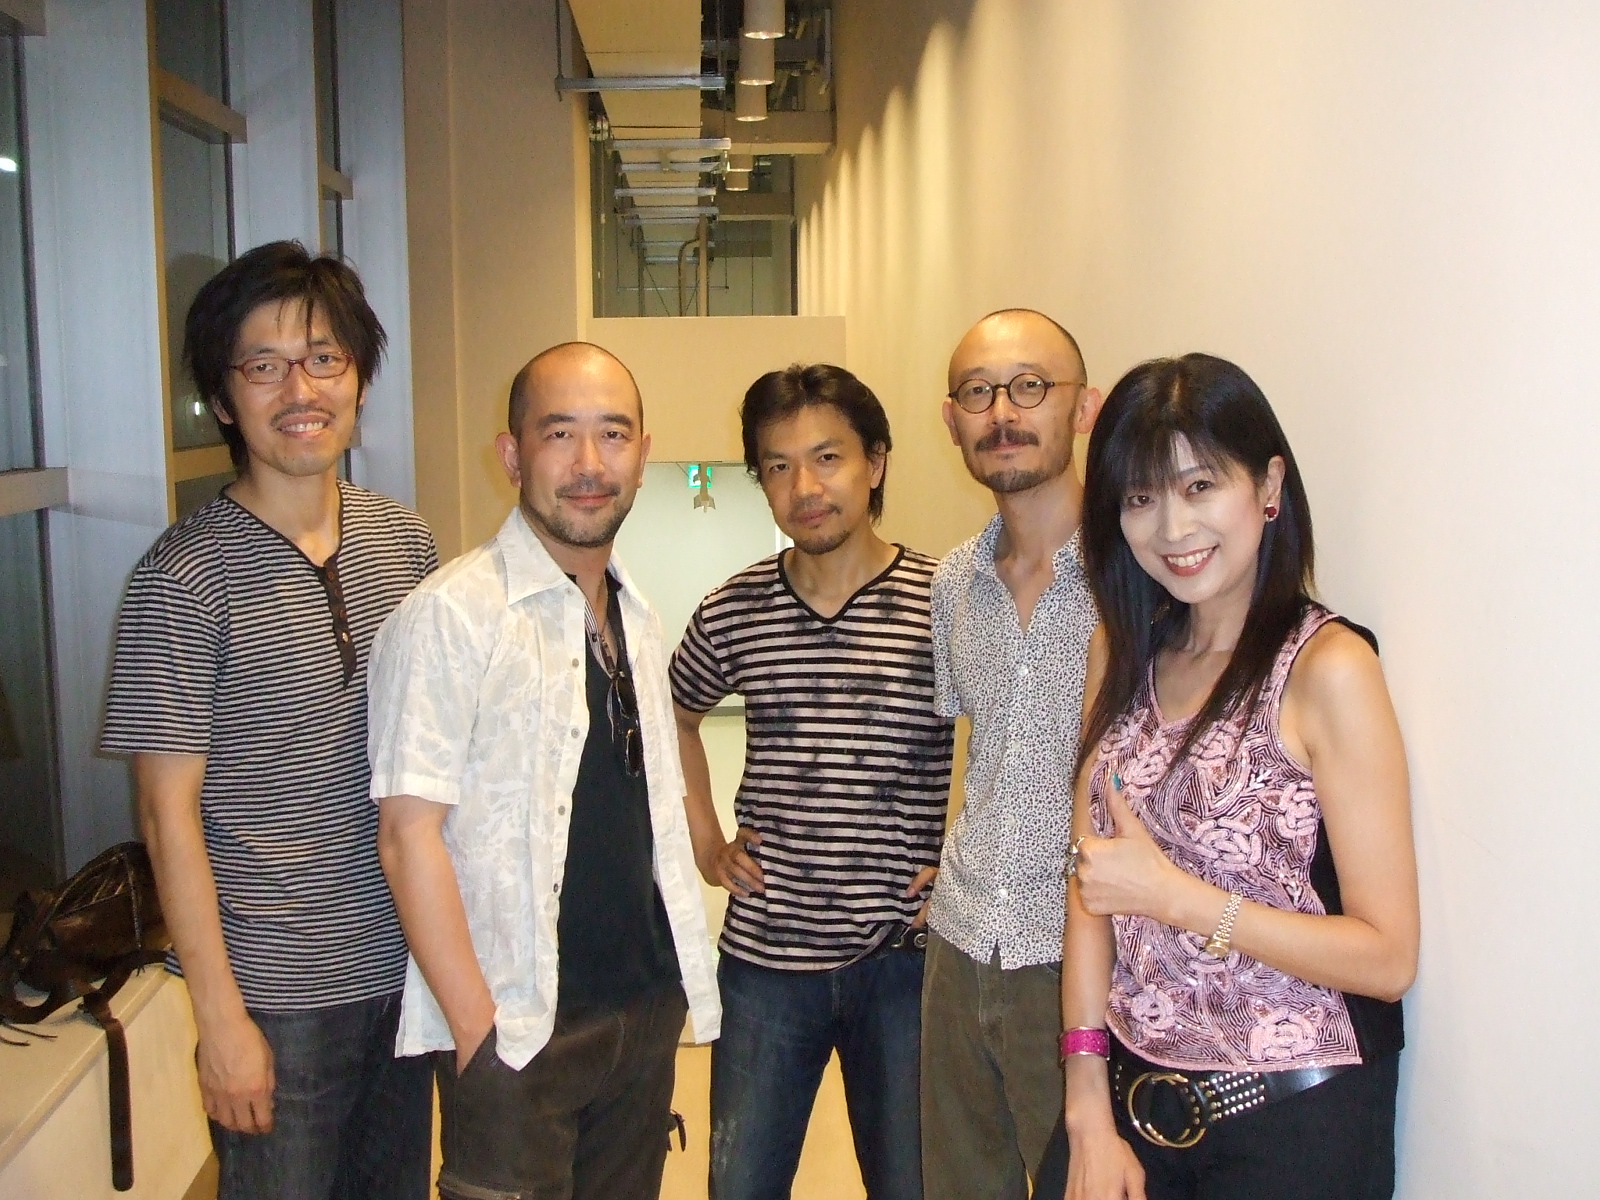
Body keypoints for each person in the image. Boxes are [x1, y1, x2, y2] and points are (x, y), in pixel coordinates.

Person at [102, 241, 437, 1200]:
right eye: (263, 366)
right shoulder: (180, 579)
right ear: (222, 397)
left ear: (359, 378)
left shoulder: (404, 541)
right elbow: (167, 814)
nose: (300, 389)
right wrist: (221, 1020)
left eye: (324, 358)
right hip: (276, 997)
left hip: (404, 968)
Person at [1061, 353, 1419, 1200]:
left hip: (1293, 1127)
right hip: (1129, 1106)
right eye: (1140, 498)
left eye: (1199, 486)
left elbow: (1388, 957)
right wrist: (1085, 1111)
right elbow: (1090, 894)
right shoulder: (1120, 653)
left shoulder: (1328, 669)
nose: (1172, 528)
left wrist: (1179, 899)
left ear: (1268, 486)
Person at [369, 341, 720, 1200]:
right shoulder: (451, 616)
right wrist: (477, 1030)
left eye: (614, 435)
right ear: (512, 453)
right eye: (560, 434)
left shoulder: (635, 611)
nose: (589, 463)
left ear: (643, 453)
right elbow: (407, 835)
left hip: (641, 1017)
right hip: (520, 1034)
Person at [670, 364, 955, 1200]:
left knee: (912, 1185)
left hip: (902, 961)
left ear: (876, 462)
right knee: (741, 1186)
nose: (805, 487)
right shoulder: (734, 609)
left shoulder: (944, 601)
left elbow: (1011, 738)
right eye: (779, 465)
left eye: (828, 458)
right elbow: (673, 715)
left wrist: (966, 863)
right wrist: (706, 843)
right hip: (766, 960)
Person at [920, 309, 1105, 1199]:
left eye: (1031, 386)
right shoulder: (952, 582)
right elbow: (976, 751)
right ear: (951, 419)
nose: (1003, 412)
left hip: (1082, 953)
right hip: (959, 944)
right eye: (978, 392)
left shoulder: (1137, 575)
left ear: (1084, 407)